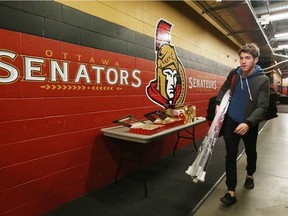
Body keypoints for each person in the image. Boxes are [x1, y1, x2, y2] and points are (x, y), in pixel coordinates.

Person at [215, 43, 270, 205]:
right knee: (230, 155)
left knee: (251, 151)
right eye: (241, 58)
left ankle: (250, 174)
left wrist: (248, 123)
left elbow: (263, 106)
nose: (243, 61)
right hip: (231, 121)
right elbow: (224, 88)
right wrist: (219, 103)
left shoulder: (263, 80)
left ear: (255, 59)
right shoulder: (235, 74)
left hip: (249, 123)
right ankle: (230, 192)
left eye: (248, 58)